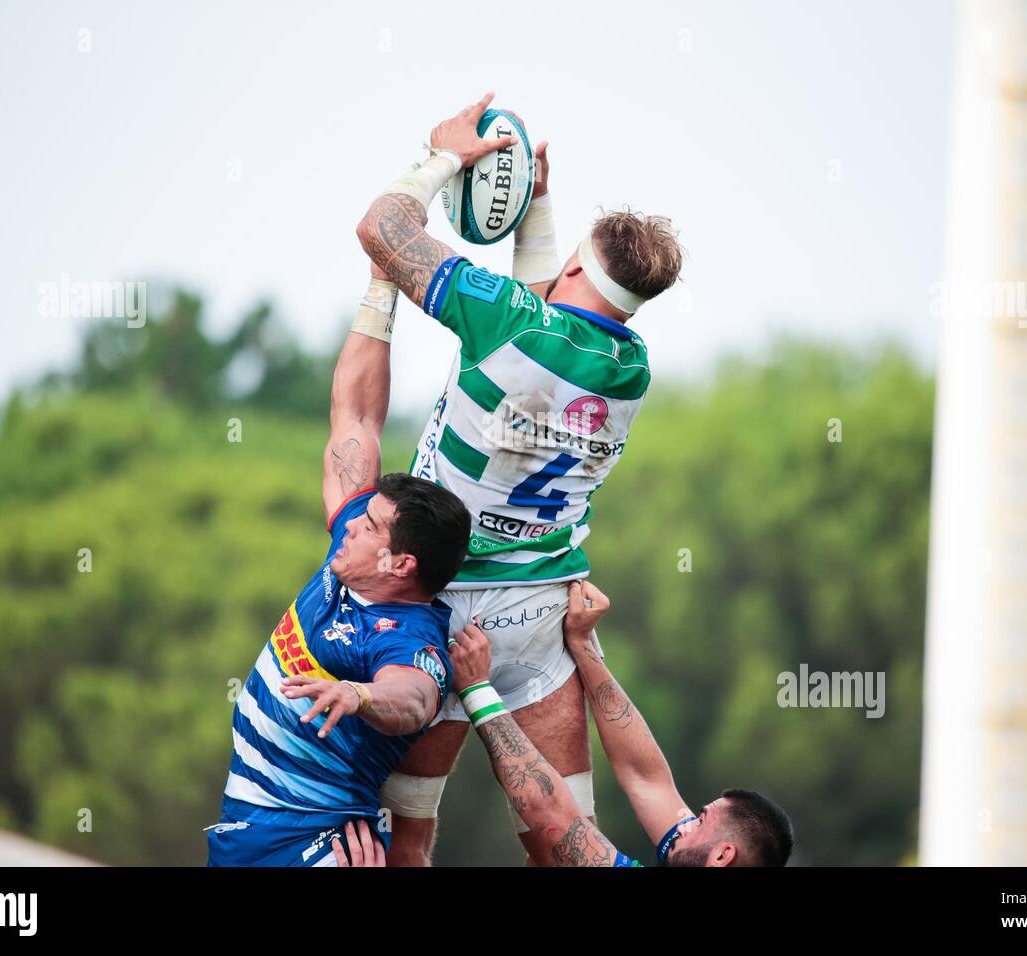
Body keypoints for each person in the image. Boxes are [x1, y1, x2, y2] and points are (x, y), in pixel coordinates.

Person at [355, 92, 685, 865]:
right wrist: (533, 212)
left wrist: (442, 156)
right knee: (562, 842)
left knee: (408, 834)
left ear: (574, 264)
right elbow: (546, 325)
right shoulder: (630, 371)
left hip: (436, 602)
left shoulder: (507, 320)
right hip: (540, 615)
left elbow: (381, 230)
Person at [204, 264, 472, 867]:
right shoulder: (354, 555)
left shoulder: (409, 635)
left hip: (319, 849)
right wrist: (382, 282)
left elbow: (415, 697)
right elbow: (354, 418)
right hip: (246, 834)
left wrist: (358, 695)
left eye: (369, 524)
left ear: (402, 564)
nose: (348, 523)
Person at [449, 580, 794, 867]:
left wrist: (477, 690)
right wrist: (582, 645)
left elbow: (550, 816)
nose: (685, 825)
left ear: (722, 855)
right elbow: (644, 776)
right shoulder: (693, 852)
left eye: (701, 821)